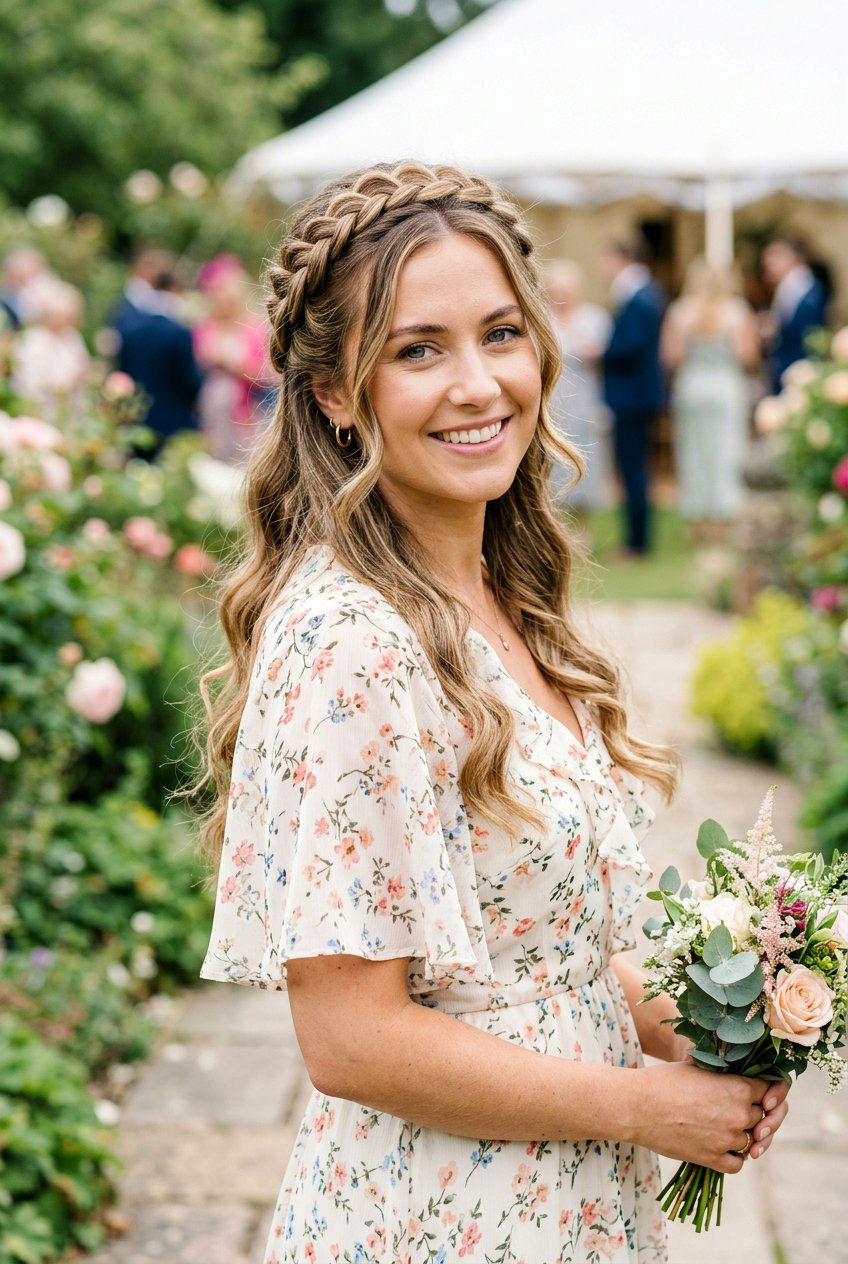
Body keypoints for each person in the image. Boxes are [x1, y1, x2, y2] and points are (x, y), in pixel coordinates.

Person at [195, 161, 789, 1264]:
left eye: (500, 334)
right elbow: (351, 1039)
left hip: (570, 1203)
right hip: (438, 1217)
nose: (477, 384)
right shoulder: (353, 641)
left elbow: (540, 955)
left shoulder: (496, 597)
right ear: (333, 392)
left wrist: (736, 1021)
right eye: (418, 350)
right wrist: (644, 1106)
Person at [661, 257, 760, 543]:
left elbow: (671, 357)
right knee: (725, 451)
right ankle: (721, 520)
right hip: (725, 388)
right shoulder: (737, 311)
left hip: (692, 388)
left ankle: (696, 520)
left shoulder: (680, 311)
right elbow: (747, 356)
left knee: (692, 451)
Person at [601, 241, 665, 557]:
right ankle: (636, 538)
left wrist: (602, 350)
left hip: (633, 397)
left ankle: (637, 542)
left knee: (633, 470)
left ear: (622, 258)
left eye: (607, 259)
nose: (604, 267)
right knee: (633, 469)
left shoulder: (638, 296)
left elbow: (631, 345)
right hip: (635, 396)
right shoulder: (642, 292)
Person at [109, 250, 203, 457]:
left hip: (137, 418)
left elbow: (122, 373)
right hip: (174, 421)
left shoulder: (129, 330)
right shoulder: (179, 333)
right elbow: (190, 381)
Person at [193, 254, 275, 464]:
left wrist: (231, 365)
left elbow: (268, 375)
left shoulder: (255, 329)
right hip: (208, 413)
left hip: (245, 415)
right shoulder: (203, 328)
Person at [546, 259, 612, 513]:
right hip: (554, 395)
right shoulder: (542, 320)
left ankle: (585, 520)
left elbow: (607, 356)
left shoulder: (594, 318)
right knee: (555, 455)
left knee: (587, 452)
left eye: (567, 289)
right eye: (557, 289)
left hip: (586, 395)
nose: (562, 295)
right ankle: (556, 518)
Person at [12, 278, 90, 418]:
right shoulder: (32, 340)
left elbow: (82, 364)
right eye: (65, 317)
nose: (68, 323)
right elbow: (27, 381)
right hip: (41, 409)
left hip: (71, 409)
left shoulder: (73, 337)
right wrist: (61, 386)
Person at [760, 236, 828, 392]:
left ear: (790, 258)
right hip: (786, 366)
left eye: (773, 258)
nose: (767, 265)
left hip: (799, 365)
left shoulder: (801, 286)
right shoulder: (786, 286)